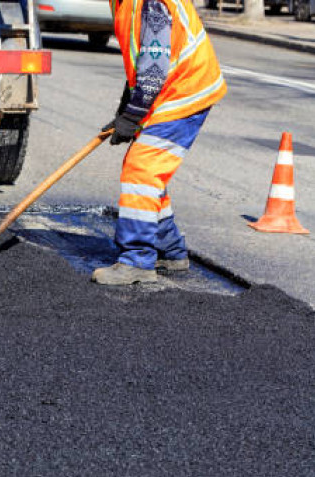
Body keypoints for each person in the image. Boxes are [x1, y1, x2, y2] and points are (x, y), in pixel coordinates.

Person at [92, 0, 226, 285]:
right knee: (147, 171)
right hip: (175, 89)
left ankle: (137, 261)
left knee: (141, 168)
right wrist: (125, 111)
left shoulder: (150, 2)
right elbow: (141, 60)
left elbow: (154, 67)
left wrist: (134, 115)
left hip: (185, 92)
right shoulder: (125, 2)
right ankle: (170, 250)